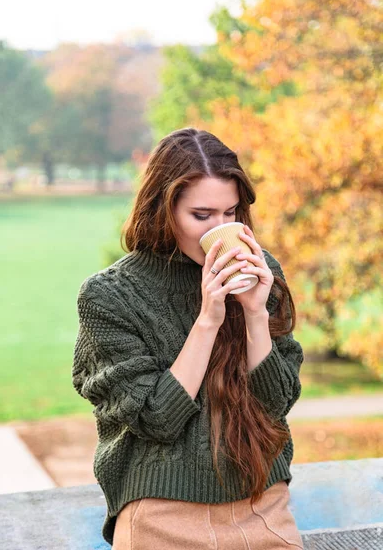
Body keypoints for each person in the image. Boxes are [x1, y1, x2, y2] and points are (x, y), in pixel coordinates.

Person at [72, 127, 305, 549]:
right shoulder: (109, 296)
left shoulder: (260, 271)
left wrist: (254, 313)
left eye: (230, 213)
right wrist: (208, 319)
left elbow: (277, 403)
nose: (220, 228)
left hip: (261, 503)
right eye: (202, 216)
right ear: (163, 209)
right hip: (162, 513)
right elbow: (157, 419)